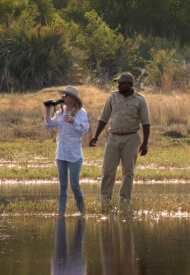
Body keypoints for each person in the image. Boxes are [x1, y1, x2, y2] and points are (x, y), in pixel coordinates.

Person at [89, 72, 151, 209]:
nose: (118, 86)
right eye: (118, 83)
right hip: (113, 138)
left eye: (121, 83)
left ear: (129, 85)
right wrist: (96, 136)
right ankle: (105, 201)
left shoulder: (140, 100)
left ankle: (125, 202)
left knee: (128, 172)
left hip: (131, 138)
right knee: (107, 171)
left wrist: (145, 143)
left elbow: (146, 123)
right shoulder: (112, 97)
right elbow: (104, 118)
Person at [44, 86, 90, 215]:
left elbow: (85, 129)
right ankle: (61, 213)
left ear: (73, 99)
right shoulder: (60, 112)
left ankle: (82, 211)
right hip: (61, 154)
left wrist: (73, 121)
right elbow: (49, 125)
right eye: (63, 95)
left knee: (74, 185)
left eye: (66, 96)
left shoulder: (81, 113)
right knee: (63, 186)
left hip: (74, 155)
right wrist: (47, 110)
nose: (63, 98)